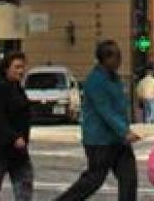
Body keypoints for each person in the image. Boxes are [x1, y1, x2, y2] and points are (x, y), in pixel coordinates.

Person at [52, 40, 138, 201]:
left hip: (118, 140)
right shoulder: (95, 80)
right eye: (116, 56)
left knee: (129, 179)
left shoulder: (115, 78)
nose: (120, 60)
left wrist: (124, 131)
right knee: (94, 180)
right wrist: (124, 131)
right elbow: (105, 110)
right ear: (105, 59)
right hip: (100, 140)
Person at [0, 50, 33, 201]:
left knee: (24, 186)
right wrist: (14, 137)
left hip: (18, 153)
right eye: (17, 67)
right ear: (6, 69)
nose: (21, 71)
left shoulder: (18, 88)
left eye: (22, 67)